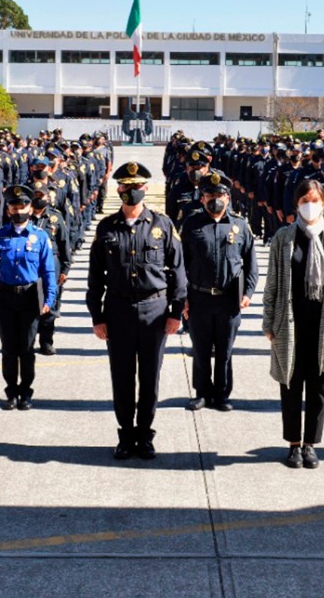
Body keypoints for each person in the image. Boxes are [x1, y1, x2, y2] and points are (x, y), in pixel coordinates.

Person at [86, 161, 186, 461]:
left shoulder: (162, 225)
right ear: (118, 189)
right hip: (117, 309)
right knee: (122, 375)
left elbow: (178, 272)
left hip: (154, 309)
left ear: (145, 188)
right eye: (126, 187)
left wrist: (175, 312)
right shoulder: (106, 227)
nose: (131, 192)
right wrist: (97, 316)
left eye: (137, 187)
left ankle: (145, 434)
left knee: (150, 376)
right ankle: (125, 434)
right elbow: (95, 277)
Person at [263, 179, 324, 469]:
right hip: (290, 322)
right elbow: (272, 284)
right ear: (297, 205)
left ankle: (311, 443)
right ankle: (293, 444)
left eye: (314, 200)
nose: (309, 205)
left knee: (319, 385)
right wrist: (268, 322)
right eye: (303, 201)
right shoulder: (283, 237)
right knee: (290, 383)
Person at [180, 172, 257, 412]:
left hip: (228, 299)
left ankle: (222, 394)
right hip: (199, 296)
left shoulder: (240, 225)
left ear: (228, 196)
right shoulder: (191, 224)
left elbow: (251, 263)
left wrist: (248, 293)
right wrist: (181, 298)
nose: (216, 199)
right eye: (210, 194)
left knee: (225, 350)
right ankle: (202, 393)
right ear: (202, 198)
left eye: (220, 194)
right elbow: (180, 264)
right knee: (201, 349)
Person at [0, 185, 58, 409]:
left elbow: (48, 271)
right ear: (8, 210)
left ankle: (26, 391)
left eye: (22, 206)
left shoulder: (40, 236)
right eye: (14, 207)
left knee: (26, 348)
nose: (18, 211)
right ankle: (11, 391)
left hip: (29, 297)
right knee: (8, 348)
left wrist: (49, 299)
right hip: (6, 296)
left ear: (30, 207)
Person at [30, 183, 71, 355]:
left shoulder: (55, 217)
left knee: (50, 302)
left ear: (48, 198)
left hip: (51, 262)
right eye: (36, 195)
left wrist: (65, 269)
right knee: (30, 302)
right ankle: (28, 341)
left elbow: (64, 243)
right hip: (30, 262)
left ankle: (46, 341)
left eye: (42, 196)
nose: (39, 199)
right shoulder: (24, 216)